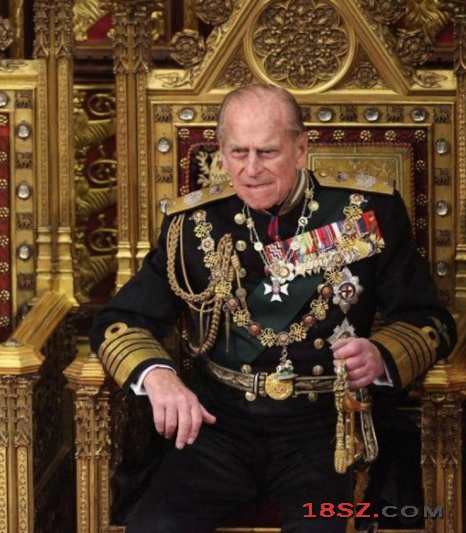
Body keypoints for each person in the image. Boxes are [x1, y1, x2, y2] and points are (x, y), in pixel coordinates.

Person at [89, 83, 456, 532]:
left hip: (327, 428)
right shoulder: (192, 224)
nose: (251, 169)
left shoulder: (364, 211)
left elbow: (429, 321)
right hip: (218, 425)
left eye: (267, 152)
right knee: (154, 527)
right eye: (238, 152)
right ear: (221, 152)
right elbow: (120, 321)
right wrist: (159, 377)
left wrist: (380, 355)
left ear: (300, 149)